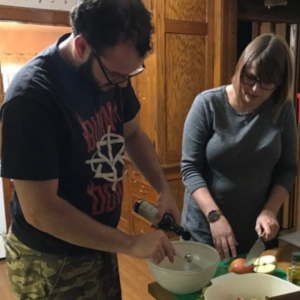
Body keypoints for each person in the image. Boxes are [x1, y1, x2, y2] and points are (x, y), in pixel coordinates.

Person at [0, 0, 180, 299]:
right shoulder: (31, 98)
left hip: (99, 243)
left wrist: (164, 189)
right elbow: (41, 212)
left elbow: (133, 134)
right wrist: (130, 243)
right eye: (116, 76)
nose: (122, 84)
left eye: (129, 75)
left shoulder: (114, 71)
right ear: (82, 46)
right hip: (52, 260)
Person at [180, 33, 297, 261]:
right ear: (240, 68)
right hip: (206, 229)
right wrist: (215, 217)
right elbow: (190, 169)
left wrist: (270, 210)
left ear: (280, 82)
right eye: (250, 78)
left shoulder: (283, 109)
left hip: (257, 233)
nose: (254, 89)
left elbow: (288, 168)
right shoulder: (208, 104)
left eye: (266, 83)